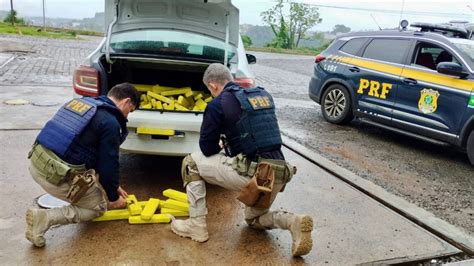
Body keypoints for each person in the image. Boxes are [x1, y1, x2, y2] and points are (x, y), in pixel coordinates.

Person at [171, 63, 313, 257]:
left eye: (209, 90)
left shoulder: (217, 104)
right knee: (253, 219)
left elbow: (206, 148)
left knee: (191, 162)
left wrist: (221, 144)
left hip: (254, 175)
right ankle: (292, 222)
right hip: (279, 174)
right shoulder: (261, 96)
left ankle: (196, 226)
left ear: (212, 86)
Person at [25, 83, 139, 248]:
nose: (128, 115)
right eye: (131, 109)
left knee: (97, 184)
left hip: (36, 163)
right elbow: (108, 164)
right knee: (97, 207)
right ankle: (45, 218)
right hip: (53, 176)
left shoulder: (84, 104)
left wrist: (113, 186)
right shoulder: (111, 123)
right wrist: (113, 198)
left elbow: (86, 148)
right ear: (127, 102)